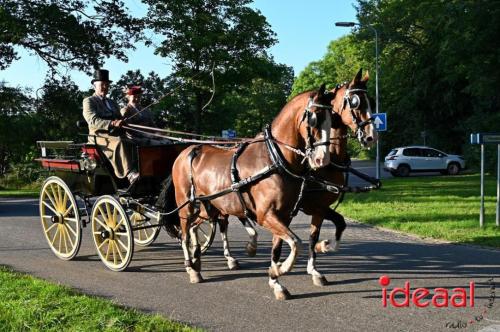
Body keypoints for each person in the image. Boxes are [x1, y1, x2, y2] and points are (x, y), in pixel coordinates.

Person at [82, 69, 139, 185]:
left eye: (107, 85)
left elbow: (119, 117)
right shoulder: (89, 101)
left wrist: (123, 121)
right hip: (99, 137)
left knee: (136, 142)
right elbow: (92, 120)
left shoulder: (112, 102)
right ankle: (130, 174)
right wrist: (112, 123)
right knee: (120, 142)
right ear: (94, 86)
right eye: (102, 85)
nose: (105, 87)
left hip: (116, 134)